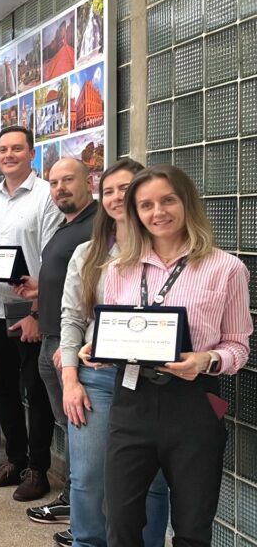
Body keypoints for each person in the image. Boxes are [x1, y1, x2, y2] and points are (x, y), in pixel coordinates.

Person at [84, 165, 251, 546]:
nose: (158, 212)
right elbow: (116, 330)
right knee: (121, 522)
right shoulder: (120, 269)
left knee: (193, 528)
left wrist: (206, 360)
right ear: (135, 213)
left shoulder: (225, 268)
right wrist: (98, 348)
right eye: (146, 205)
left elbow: (238, 346)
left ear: (186, 202)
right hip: (131, 402)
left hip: (195, 403)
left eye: (168, 200)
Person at [57, 158, 169, 547]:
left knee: (151, 483)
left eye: (126, 188)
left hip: (155, 381)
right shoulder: (89, 253)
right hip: (98, 381)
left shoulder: (167, 252)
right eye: (108, 191)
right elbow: (72, 320)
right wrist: (70, 379)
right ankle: (87, 542)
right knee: (88, 478)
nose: (117, 197)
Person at [0, 125, 62, 502]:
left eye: (17, 149)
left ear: (31, 154)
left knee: (36, 392)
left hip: (29, 309)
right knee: (1, 387)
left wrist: (36, 311)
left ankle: (38, 469)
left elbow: (51, 258)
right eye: (3, 150)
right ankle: (14, 461)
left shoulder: (46, 195)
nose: (9, 155)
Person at [8, 158, 97, 526]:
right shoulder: (66, 225)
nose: (60, 188)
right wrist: (38, 290)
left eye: (68, 180)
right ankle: (75, 499)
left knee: (81, 425)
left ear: (89, 182)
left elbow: (97, 291)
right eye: (54, 182)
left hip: (70, 343)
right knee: (70, 425)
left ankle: (81, 506)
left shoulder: (98, 226)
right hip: (51, 336)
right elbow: (65, 281)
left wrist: (72, 344)